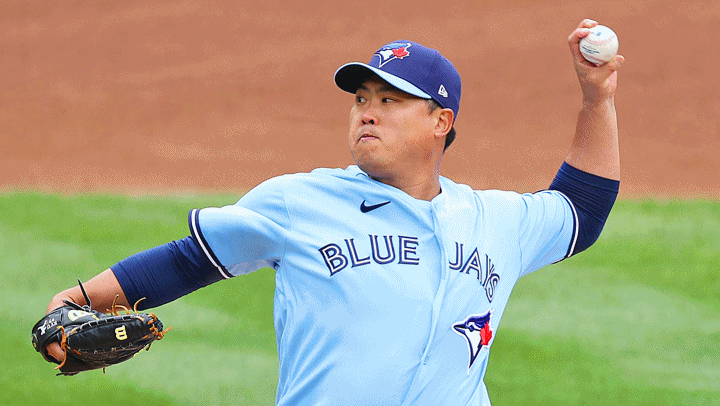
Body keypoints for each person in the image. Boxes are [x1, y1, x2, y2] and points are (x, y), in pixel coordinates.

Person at [41, 19, 624, 405]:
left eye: (390, 100)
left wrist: (597, 99)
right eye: (361, 99)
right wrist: (76, 301)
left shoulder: (493, 220)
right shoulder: (299, 201)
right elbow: (188, 260)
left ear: (440, 122)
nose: (367, 111)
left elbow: (581, 209)